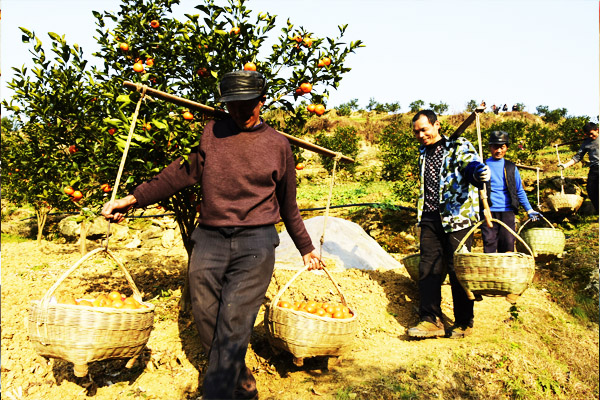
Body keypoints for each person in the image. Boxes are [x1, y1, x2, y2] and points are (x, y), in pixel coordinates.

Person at [101, 70, 321, 399]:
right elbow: (180, 175)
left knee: (234, 320)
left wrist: (306, 247)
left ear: (261, 102)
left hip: (256, 242)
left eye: (247, 104)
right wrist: (131, 200)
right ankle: (242, 383)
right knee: (206, 316)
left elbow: (289, 205)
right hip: (210, 239)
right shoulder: (212, 133)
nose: (239, 111)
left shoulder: (279, 145)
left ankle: (215, 392)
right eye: (232, 104)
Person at [408, 110, 491, 339]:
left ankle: (464, 322)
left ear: (437, 125)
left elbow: (470, 165)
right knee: (428, 269)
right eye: (417, 132)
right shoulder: (423, 152)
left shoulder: (458, 146)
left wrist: (478, 172)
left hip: (457, 217)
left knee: (459, 269)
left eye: (424, 129)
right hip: (430, 216)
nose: (421, 135)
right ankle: (430, 320)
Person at [482, 131, 542, 253]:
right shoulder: (482, 166)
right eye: (495, 147)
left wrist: (529, 209)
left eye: (502, 147)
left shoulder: (510, 167)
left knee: (508, 244)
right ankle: (491, 271)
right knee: (489, 244)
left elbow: (519, 190)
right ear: (490, 147)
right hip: (489, 211)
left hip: (507, 211)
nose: (498, 151)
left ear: (506, 148)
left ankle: (505, 271)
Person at [558, 122, 599, 214]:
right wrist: (565, 165)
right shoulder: (586, 143)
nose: (590, 136)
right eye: (588, 135)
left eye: (592, 134)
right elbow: (578, 157)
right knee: (591, 190)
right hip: (594, 169)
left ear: (597, 130)